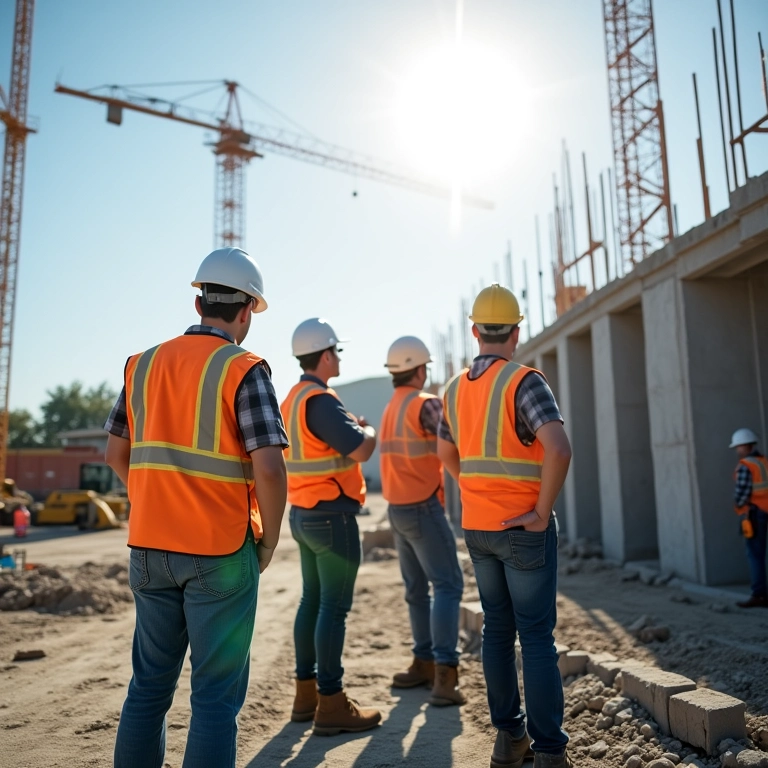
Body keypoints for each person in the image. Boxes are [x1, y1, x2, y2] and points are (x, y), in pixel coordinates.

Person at [105, 247, 288, 768]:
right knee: (213, 700)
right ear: (248, 309)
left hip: (148, 547)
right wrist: (269, 540)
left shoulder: (142, 364)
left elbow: (117, 454)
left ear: (199, 298)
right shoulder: (244, 369)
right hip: (220, 550)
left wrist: (157, 496)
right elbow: (270, 469)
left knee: (147, 690)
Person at [437, 284, 573, 768]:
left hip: (478, 529)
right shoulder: (524, 381)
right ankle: (551, 753)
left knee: (497, 629)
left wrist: (473, 491)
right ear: (517, 332)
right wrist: (540, 510)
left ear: (475, 332)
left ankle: (509, 739)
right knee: (535, 636)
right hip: (523, 529)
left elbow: (445, 453)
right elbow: (558, 448)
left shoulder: (452, 389)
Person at [280, 318, 381, 736]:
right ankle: (332, 702)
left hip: (303, 514)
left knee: (312, 602)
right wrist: (368, 428)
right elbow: (360, 449)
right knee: (333, 610)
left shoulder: (293, 399)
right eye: (336, 351)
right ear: (324, 355)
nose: (338, 358)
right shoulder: (321, 400)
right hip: (332, 518)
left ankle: (306, 696)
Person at [379, 336, 464, 705]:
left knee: (416, 590)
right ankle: (445, 676)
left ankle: (423, 662)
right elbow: (454, 440)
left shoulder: (390, 407)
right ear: (419, 369)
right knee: (447, 586)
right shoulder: (424, 404)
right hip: (423, 507)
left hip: (397, 508)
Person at [730, 428, 768, 608]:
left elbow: (742, 493)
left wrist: (737, 506)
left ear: (745, 446)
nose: (737, 451)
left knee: (755, 554)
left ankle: (759, 595)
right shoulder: (764, 462)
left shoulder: (746, 465)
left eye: (738, 447)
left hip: (756, 514)